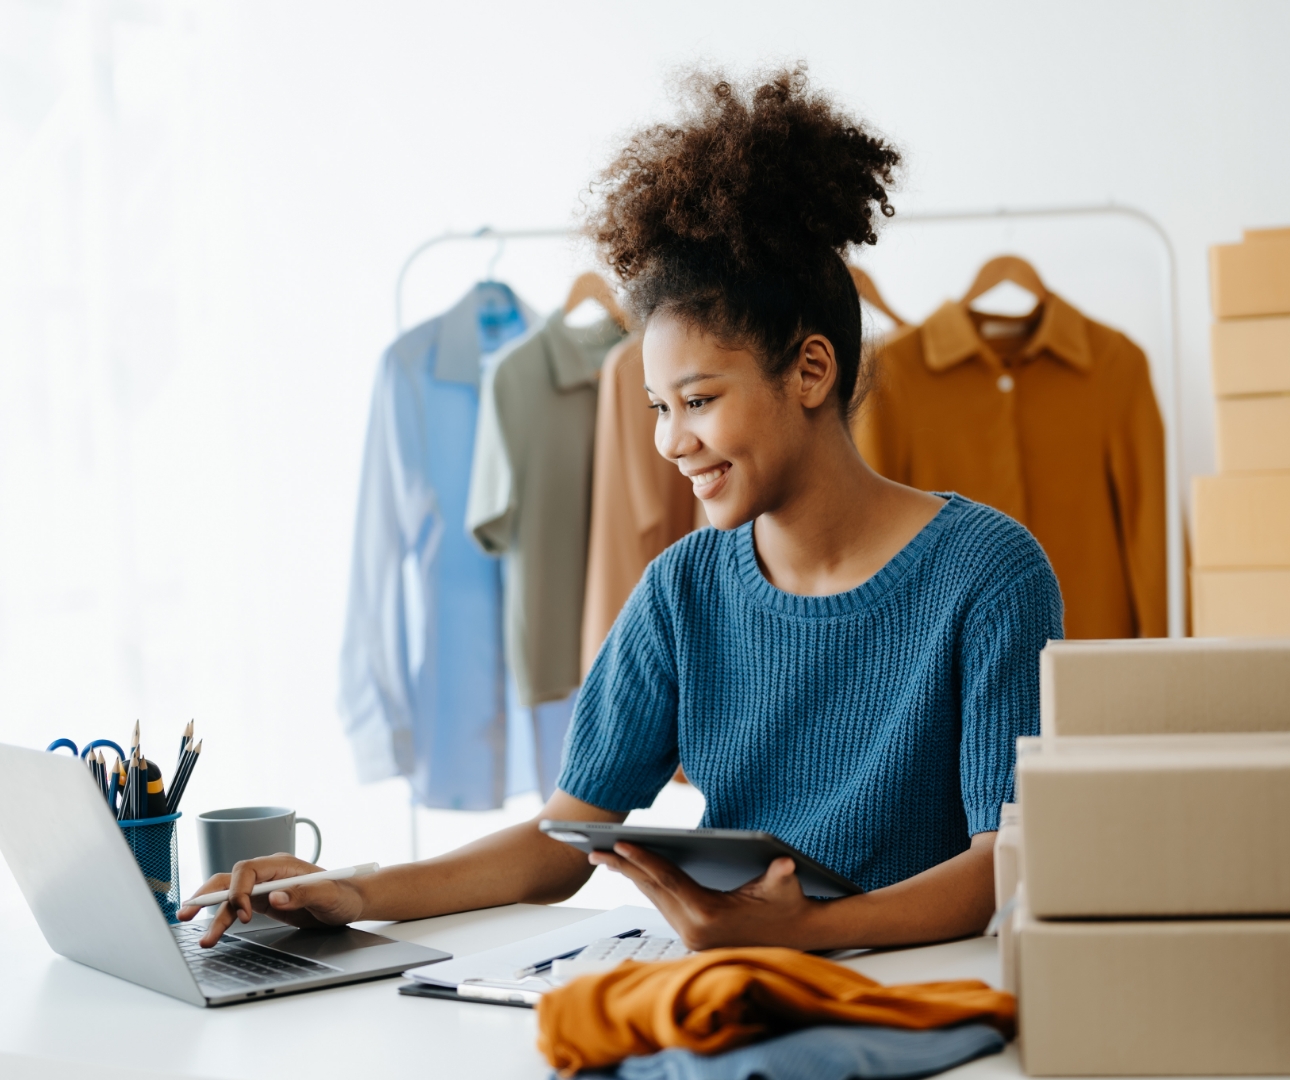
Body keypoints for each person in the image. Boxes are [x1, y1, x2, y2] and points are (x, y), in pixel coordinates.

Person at [181, 68, 1062, 952]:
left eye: (700, 399)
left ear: (810, 372)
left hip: (916, 1004)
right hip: (732, 991)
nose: (672, 441)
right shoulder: (682, 591)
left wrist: (806, 933)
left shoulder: (989, 572)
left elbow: (1001, 862)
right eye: (657, 408)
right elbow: (559, 843)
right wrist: (351, 888)